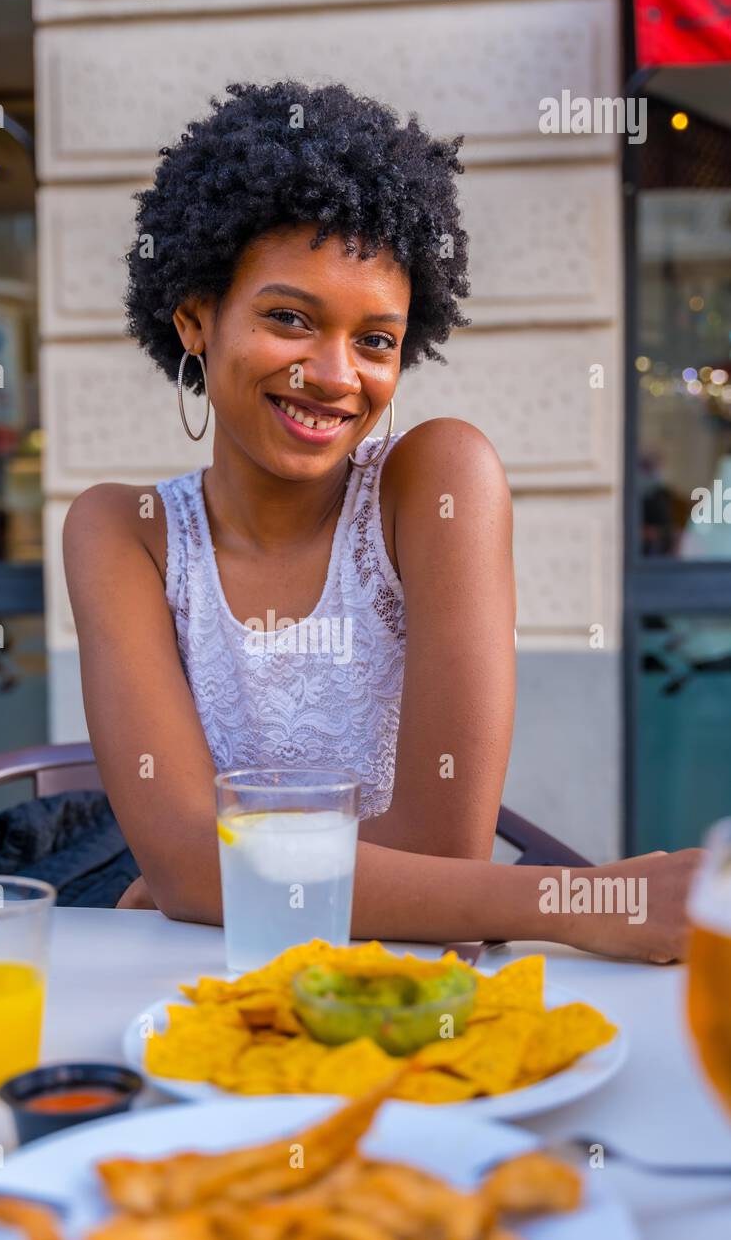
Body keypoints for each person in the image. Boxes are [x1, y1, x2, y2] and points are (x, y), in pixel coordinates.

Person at [64, 81, 697, 962]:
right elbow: (182, 867)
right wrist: (576, 900)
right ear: (196, 319)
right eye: (289, 318)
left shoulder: (437, 484)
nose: (334, 375)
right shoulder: (119, 529)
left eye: (376, 340)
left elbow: (443, 857)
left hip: (394, 988)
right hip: (203, 981)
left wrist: (222, 876)